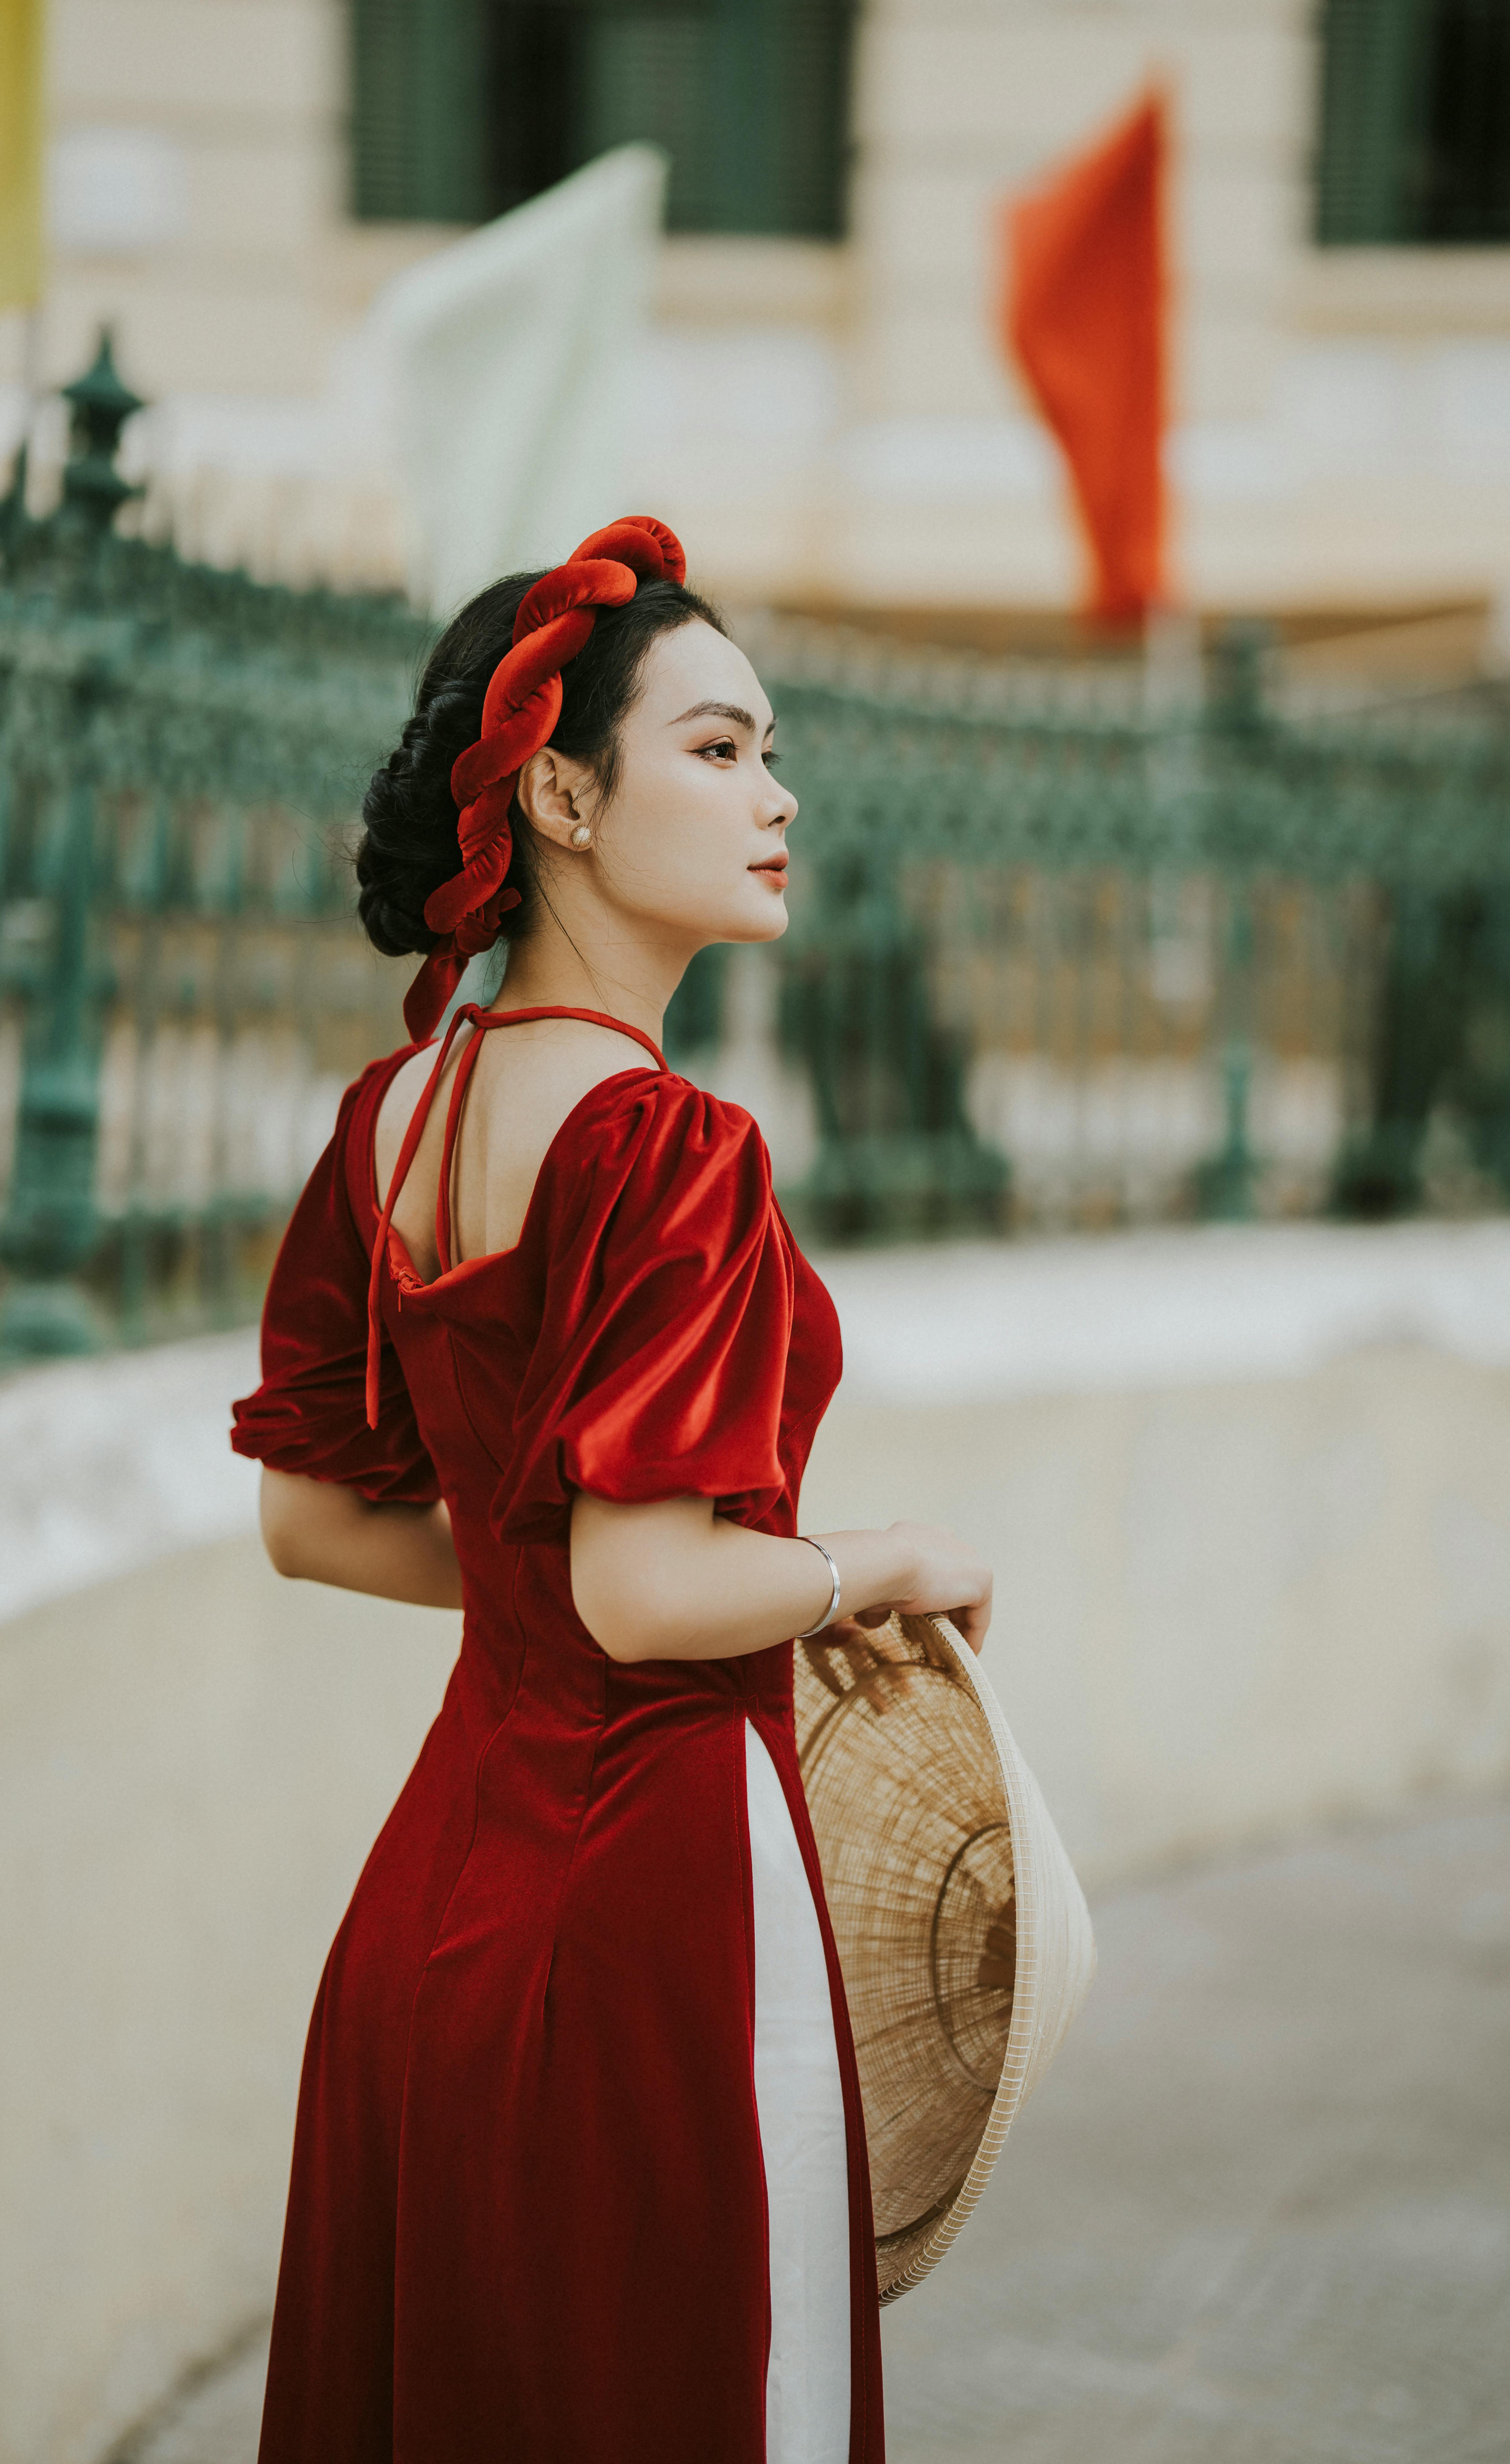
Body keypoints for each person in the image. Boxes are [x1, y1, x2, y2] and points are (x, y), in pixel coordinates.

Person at [231, 518, 993, 2464]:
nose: (778, 796)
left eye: (769, 751)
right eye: (720, 749)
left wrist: (548, 1570)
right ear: (561, 798)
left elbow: (313, 1523)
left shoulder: (394, 1117)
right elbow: (649, 1597)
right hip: (657, 1910)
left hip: (431, 1916)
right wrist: (877, 1562)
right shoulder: (672, 1145)